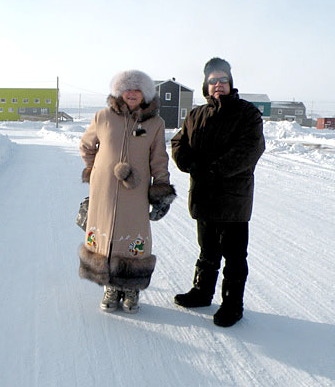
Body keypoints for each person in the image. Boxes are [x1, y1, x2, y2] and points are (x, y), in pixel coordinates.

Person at [171, 57, 265, 327]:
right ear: (206, 84)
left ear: (230, 83)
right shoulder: (195, 115)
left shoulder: (247, 113)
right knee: (207, 250)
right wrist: (189, 163)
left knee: (234, 256)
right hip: (203, 197)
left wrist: (214, 170)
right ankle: (202, 292)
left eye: (223, 80)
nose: (218, 85)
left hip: (233, 200)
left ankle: (232, 305)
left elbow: (250, 150)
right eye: (213, 81)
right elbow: (179, 143)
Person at [79, 69, 176, 314]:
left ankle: (130, 287)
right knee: (105, 233)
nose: (132, 93)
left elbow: (159, 159)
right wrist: (95, 170)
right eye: (127, 89)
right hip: (104, 190)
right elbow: (86, 146)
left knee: (133, 234)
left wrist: (161, 190)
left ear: (145, 94)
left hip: (136, 191)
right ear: (119, 92)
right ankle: (110, 286)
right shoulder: (103, 117)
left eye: (137, 90)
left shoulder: (155, 123)